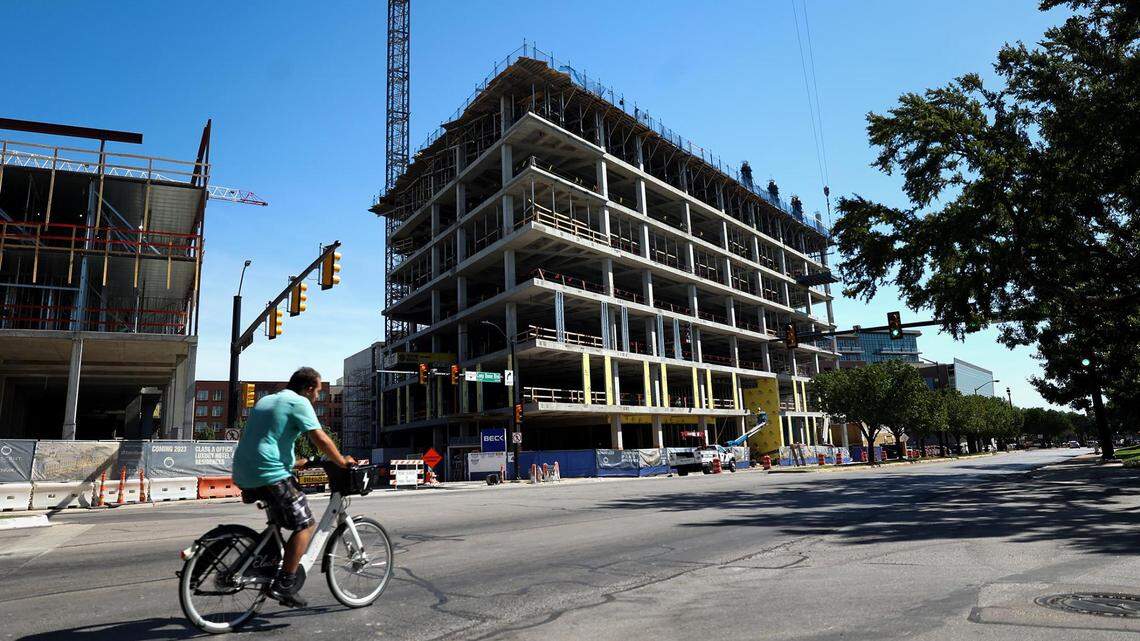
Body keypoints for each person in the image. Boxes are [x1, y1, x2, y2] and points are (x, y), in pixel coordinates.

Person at [232, 367, 354, 608]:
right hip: (269, 473)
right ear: (309, 388)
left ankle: (269, 561)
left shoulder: (267, 399)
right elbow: (320, 438)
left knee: (280, 521)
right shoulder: (299, 402)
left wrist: (302, 462)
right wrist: (342, 461)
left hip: (243, 471)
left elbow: (269, 440)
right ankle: (285, 584)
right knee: (305, 524)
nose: (318, 397)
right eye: (318, 391)